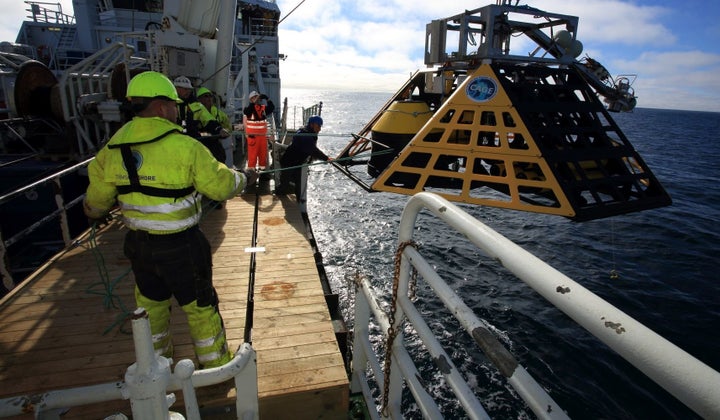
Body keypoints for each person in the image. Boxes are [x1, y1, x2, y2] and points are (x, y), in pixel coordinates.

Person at [83, 71, 258, 369]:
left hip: (139, 246)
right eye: (175, 104)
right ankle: (215, 368)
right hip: (182, 247)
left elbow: (95, 204)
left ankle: (158, 364)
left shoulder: (112, 148)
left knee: (151, 306)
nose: (178, 110)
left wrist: (95, 212)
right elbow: (220, 186)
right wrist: (244, 179)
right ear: (162, 107)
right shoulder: (184, 146)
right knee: (200, 307)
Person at [173, 76, 229, 164]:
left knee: (216, 150)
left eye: (189, 89)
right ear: (176, 89)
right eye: (184, 89)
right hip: (174, 142)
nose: (188, 91)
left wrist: (219, 129)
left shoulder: (196, 105)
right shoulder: (169, 104)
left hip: (192, 140)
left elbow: (207, 119)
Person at [276, 115, 331, 198]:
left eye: (320, 126)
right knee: (284, 183)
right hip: (289, 162)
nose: (320, 129)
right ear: (312, 125)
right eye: (318, 126)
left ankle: (299, 200)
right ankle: (279, 197)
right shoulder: (305, 135)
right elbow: (313, 150)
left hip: (298, 163)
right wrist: (326, 158)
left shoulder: (309, 133)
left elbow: (311, 149)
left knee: (299, 183)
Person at [197, 87, 234, 168]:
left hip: (215, 143)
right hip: (201, 144)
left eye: (210, 96)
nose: (209, 98)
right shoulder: (196, 112)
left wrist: (225, 132)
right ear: (199, 99)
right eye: (206, 96)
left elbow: (228, 126)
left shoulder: (218, 113)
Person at [242, 90, 275, 170]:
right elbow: (247, 111)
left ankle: (262, 173)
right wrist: (254, 102)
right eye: (254, 98)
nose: (257, 99)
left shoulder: (263, 109)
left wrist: (267, 98)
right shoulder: (248, 109)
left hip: (262, 138)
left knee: (262, 157)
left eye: (258, 97)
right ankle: (251, 175)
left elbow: (272, 107)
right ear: (251, 100)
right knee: (252, 157)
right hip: (253, 138)